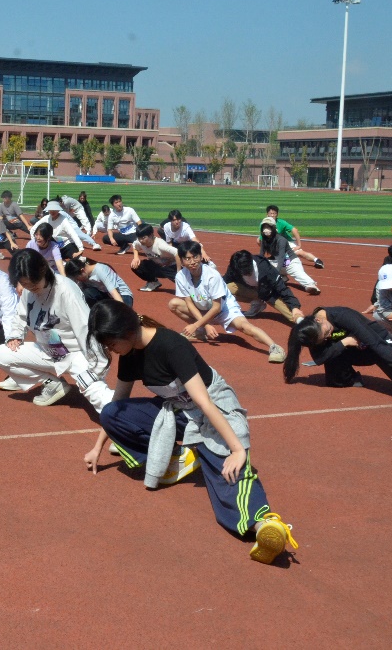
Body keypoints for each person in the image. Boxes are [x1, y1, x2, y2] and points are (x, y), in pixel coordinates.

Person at [83, 300, 299, 565]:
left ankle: (263, 525)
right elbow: (118, 402)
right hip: (179, 411)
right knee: (112, 414)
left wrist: (237, 449)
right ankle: (178, 459)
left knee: (227, 469)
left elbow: (205, 402)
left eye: (110, 343)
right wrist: (97, 447)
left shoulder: (171, 345)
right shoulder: (130, 354)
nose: (110, 349)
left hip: (213, 407)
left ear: (125, 331)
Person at [0, 249, 112, 409]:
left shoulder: (66, 290)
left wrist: (97, 367)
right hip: (46, 351)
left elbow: (85, 329)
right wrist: (16, 335)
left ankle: (125, 416)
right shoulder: (28, 291)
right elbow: (21, 315)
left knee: (99, 397)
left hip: (75, 354)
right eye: (24, 284)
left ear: (43, 270)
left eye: (33, 283)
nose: (29, 288)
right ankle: (53, 384)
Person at [170, 241, 286, 363]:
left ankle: (275, 348)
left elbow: (217, 307)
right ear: (181, 261)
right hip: (203, 308)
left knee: (245, 327)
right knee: (174, 304)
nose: (192, 262)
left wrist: (195, 325)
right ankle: (200, 332)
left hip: (224, 309)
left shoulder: (212, 275)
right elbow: (189, 303)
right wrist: (204, 325)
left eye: (195, 257)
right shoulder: (181, 277)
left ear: (200, 256)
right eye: (187, 258)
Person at [282, 306, 392, 402]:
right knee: (334, 379)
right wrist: (344, 343)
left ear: (319, 320)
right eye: (324, 338)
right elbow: (320, 358)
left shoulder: (343, 316)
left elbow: (375, 343)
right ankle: (350, 378)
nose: (328, 336)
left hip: (378, 344)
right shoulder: (312, 331)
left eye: (327, 333)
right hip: (352, 350)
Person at [223, 249, 304, 323]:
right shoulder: (234, 266)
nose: (244, 274)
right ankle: (257, 302)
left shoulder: (266, 269)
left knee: (293, 316)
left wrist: (294, 307)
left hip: (269, 294)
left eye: (246, 272)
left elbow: (282, 288)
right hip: (252, 290)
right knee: (226, 288)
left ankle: (306, 324)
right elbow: (224, 281)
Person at [258, 218, 320, 295]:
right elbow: (261, 255)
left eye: (268, 227)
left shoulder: (281, 240)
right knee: (265, 264)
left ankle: (312, 286)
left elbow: (281, 258)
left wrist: (275, 273)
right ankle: (282, 277)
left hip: (291, 263)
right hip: (277, 262)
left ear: (273, 228)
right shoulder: (264, 240)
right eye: (264, 227)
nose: (266, 229)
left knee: (300, 275)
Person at [129, 223, 180, 293]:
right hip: (158, 266)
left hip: (171, 267)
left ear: (151, 235)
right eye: (139, 238)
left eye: (143, 238)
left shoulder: (160, 245)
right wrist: (136, 258)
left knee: (183, 286)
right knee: (136, 266)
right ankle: (153, 282)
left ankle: (193, 294)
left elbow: (177, 253)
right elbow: (134, 246)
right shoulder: (140, 242)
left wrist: (179, 271)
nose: (141, 240)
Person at [65, 256, 133, 307]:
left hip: (121, 294)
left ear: (82, 270)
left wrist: (123, 311)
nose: (78, 281)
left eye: (77, 278)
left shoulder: (100, 270)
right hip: (105, 295)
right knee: (87, 293)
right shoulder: (83, 275)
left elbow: (114, 292)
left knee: (118, 316)